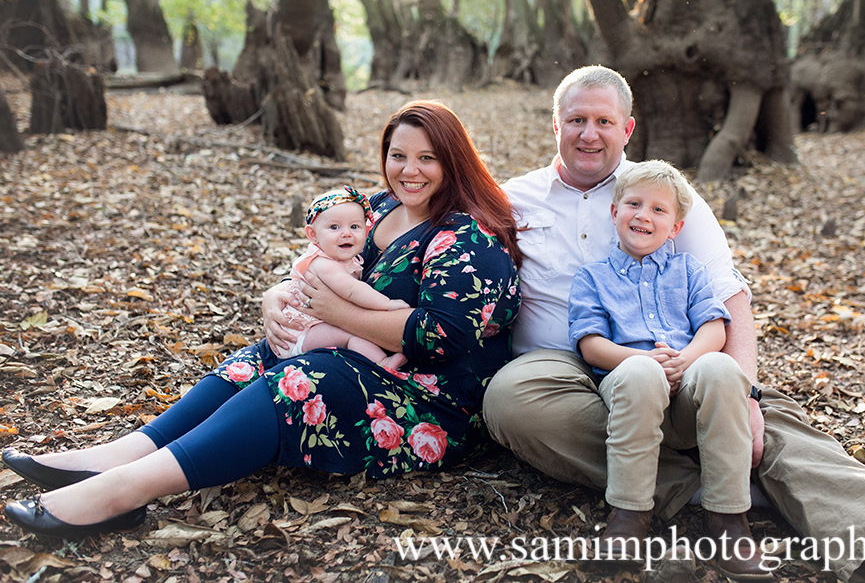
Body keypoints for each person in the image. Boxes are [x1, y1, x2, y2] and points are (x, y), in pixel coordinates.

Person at [482, 65, 865, 582]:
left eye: (603, 121)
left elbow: (729, 298)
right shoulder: (512, 200)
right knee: (509, 400)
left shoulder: (660, 191)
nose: (589, 134)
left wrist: (746, 392)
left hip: (680, 362)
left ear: (627, 129)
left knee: (760, 425)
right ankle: (717, 487)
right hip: (565, 375)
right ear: (555, 125)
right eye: (576, 120)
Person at [3, 100, 522, 540]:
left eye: (427, 158)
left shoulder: (467, 236)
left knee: (298, 381)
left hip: (425, 394)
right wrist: (276, 295)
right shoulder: (377, 207)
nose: (409, 170)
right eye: (398, 155)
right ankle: (120, 455)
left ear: (452, 161)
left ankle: (124, 491)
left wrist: (337, 314)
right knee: (255, 360)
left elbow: (443, 335)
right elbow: (317, 255)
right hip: (354, 357)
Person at [568, 159, 769, 578]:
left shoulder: (689, 270)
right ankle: (628, 518)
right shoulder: (593, 277)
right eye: (634, 204)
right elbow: (591, 344)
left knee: (721, 368)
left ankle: (729, 520)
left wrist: (686, 359)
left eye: (659, 210)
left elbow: (714, 327)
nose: (644, 215)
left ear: (675, 227)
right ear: (614, 212)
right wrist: (642, 360)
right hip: (630, 383)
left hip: (688, 381)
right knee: (642, 376)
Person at [275, 184, 407, 369]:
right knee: (351, 336)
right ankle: (382, 362)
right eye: (334, 227)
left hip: (312, 327)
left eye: (354, 226)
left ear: (366, 231)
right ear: (313, 235)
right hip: (298, 334)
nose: (346, 233)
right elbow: (353, 290)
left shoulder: (341, 258)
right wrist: (387, 305)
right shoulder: (323, 263)